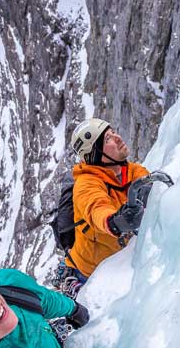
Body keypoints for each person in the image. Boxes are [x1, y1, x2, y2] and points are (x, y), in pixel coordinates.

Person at [56, 117, 151, 298]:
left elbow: (142, 176)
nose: (117, 138)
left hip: (119, 261)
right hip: (91, 273)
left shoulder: (129, 170)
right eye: (107, 139)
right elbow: (96, 208)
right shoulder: (86, 184)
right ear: (95, 153)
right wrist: (115, 221)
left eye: (113, 132)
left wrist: (148, 189)